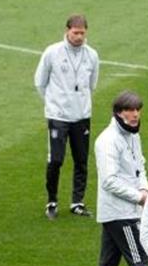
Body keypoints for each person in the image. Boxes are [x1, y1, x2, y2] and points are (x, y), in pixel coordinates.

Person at [93, 90, 148, 266]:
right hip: (121, 213)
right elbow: (109, 180)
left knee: (107, 263)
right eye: (130, 110)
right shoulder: (107, 141)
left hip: (125, 210)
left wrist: (145, 189)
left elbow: (140, 167)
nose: (135, 114)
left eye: (138, 109)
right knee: (139, 261)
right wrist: (139, 197)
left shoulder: (131, 136)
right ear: (118, 113)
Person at [34, 14, 100, 219]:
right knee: (56, 160)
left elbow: (93, 83)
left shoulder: (91, 55)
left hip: (82, 115)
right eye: (75, 32)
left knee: (81, 160)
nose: (79, 37)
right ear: (67, 31)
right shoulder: (52, 52)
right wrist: (54, 103)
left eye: (82, 33)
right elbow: (40, 82)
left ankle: (77, 202)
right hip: (58, 116)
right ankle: (51, 201)